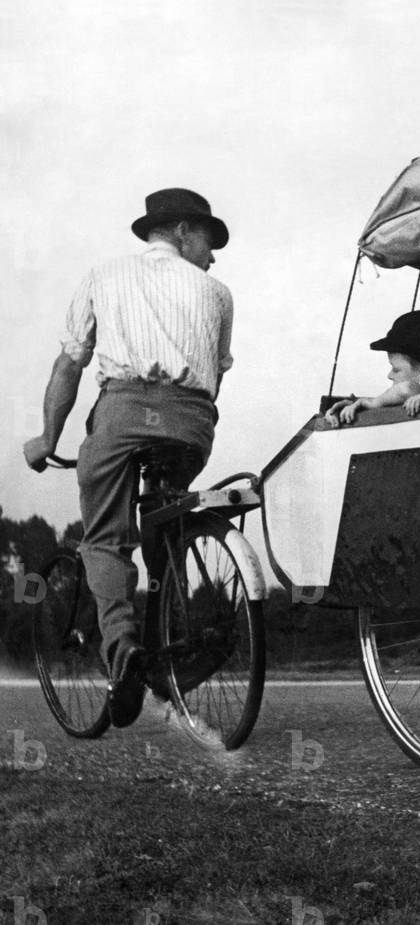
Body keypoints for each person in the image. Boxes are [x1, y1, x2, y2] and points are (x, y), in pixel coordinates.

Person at [22, 188, 233, 729]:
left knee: (106, 539)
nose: (213, 254)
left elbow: (69, 365)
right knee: (166, 523)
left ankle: (124, 654)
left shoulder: (103, 274)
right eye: (209, 239)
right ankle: (170, 632)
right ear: (184, 231)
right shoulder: (217, 292)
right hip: (192, 421)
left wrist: (47, 438)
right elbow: (218, 373)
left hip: (122, 413)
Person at [324, 310, 420, 425]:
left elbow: (406, 389)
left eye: (396, 369)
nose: (390, 375)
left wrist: (371, 403)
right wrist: (358, 404)